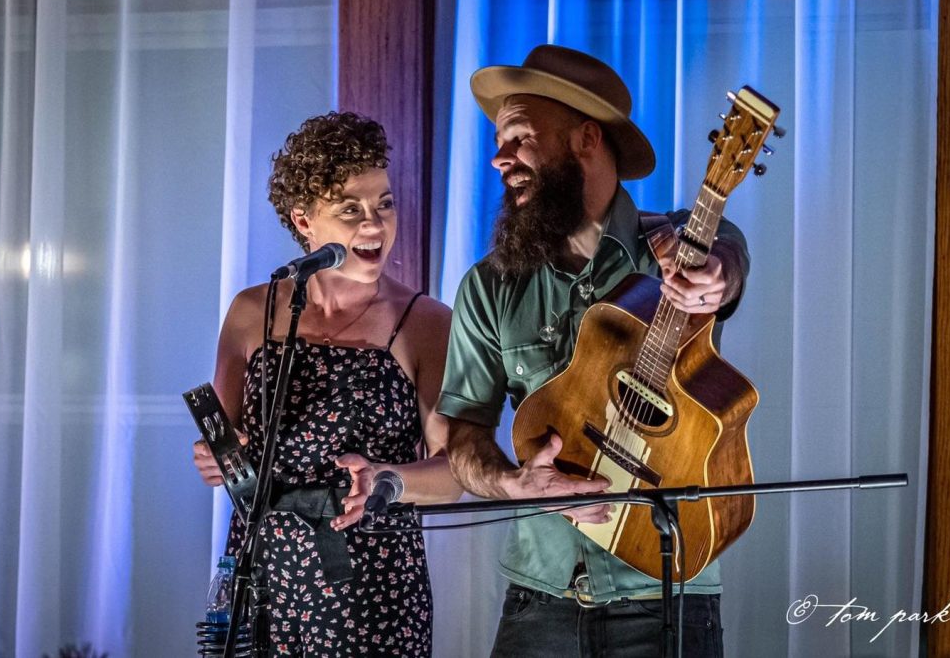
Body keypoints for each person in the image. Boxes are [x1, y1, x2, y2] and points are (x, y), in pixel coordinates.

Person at [437, 45, 750, 656]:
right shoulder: (487, 286)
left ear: (586, 139)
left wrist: (717, 277)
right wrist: (514, 484)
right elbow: (464, 436)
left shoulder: (681, 247)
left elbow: (726, 260)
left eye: (520, 137)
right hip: (538, 603)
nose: (499, 157)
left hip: (666, 596)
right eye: (500, 142)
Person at [192, 111, 460, 656]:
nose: (374, 225)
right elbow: (218, 441)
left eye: (384, 204)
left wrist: (386, 478)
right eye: (350, 209)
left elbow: (454, 473)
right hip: (262, 571)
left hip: (372, 583)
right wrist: (215, 457)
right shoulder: (251, 311)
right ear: (304, 220)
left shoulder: (427, 322)